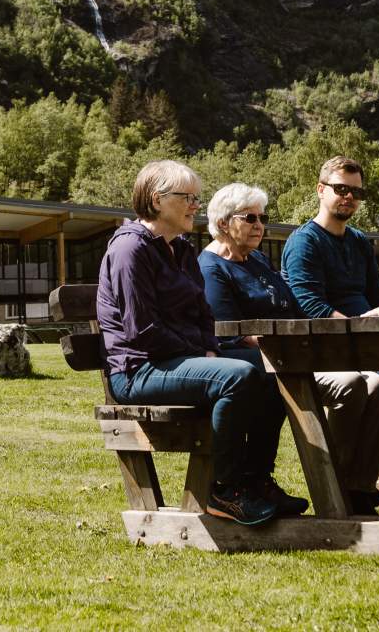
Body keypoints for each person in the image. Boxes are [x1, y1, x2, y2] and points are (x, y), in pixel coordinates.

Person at [96, 160, 294, 527]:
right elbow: (142, 330)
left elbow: (204, 316)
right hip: (138, 370)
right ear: (157, 200)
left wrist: (208, 347)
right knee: (235, 376)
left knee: (270, 368)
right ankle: (224, 489)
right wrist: (200, 352)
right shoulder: (129, 250)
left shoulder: (182, 250)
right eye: (186, 197)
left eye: (196, 198)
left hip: (174, 360)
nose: (194, 206)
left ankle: (256, 480)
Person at [198, 182, 379, 515]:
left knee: (376, 383)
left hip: (294, 354)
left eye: (262, 217)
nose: (259, 225)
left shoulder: (257, 260)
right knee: (350, 384)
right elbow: (229, 335)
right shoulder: (212, 267)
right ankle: (332, 488)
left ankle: (356, 487)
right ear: (224, 222)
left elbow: (292, 310)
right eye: (250, 217)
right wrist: (293, 348)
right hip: (266, 361)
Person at [281, 156, 379, 320]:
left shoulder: (360, 241)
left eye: (357, 191)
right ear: (321, 190)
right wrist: (359, 328)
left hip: (368, 335)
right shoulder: (304, 242)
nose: (350, 196)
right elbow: (310, 306)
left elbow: (378, 299)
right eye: (341, 189)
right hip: (327, 340)